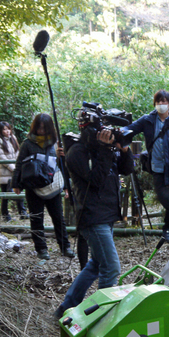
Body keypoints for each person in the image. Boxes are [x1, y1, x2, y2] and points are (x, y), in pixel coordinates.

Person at [54, 122, 134, 318]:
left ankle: (66, 308)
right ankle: (102, 316)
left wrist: (123, 150)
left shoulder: (104, 149)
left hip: (106, 214)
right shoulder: (77, 153)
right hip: (91, 215)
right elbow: (96, 180)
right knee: (111, 266)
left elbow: (127, 169)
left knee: (97, 264)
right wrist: (105, 150)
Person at [124, 89, 169, 243]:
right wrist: (118, 132)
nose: (161, 105)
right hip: (157, 167)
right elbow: (131, 128)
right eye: (158, 102)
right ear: (154, 104)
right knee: (165, 199)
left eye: (164, 102)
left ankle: (167, 230)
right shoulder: (147, 120)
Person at [12, 114, 74, 260]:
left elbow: (62, 167)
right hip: (33, 187)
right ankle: (41, 249)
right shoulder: (27, 144)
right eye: (39, 127)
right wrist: (16, 184)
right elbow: (20, 164)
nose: (41, 130)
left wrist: (66, 186)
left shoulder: (55, 144)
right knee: (36, 219)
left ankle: (65, 247)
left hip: (52, 186)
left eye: (44, 128)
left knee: (59, 218)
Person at [0, 121, 28, 221]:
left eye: (8, 128)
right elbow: (1, 157)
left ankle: (22, 212)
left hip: (15, 170)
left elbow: (18, 152)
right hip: (5, 172)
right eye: (4, 129)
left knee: (19, 190)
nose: (7, 131)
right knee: (5, 194)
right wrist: (14, 169)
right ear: (0, 131)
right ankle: (5, 215)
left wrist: (18, 168)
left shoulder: (13, 138)